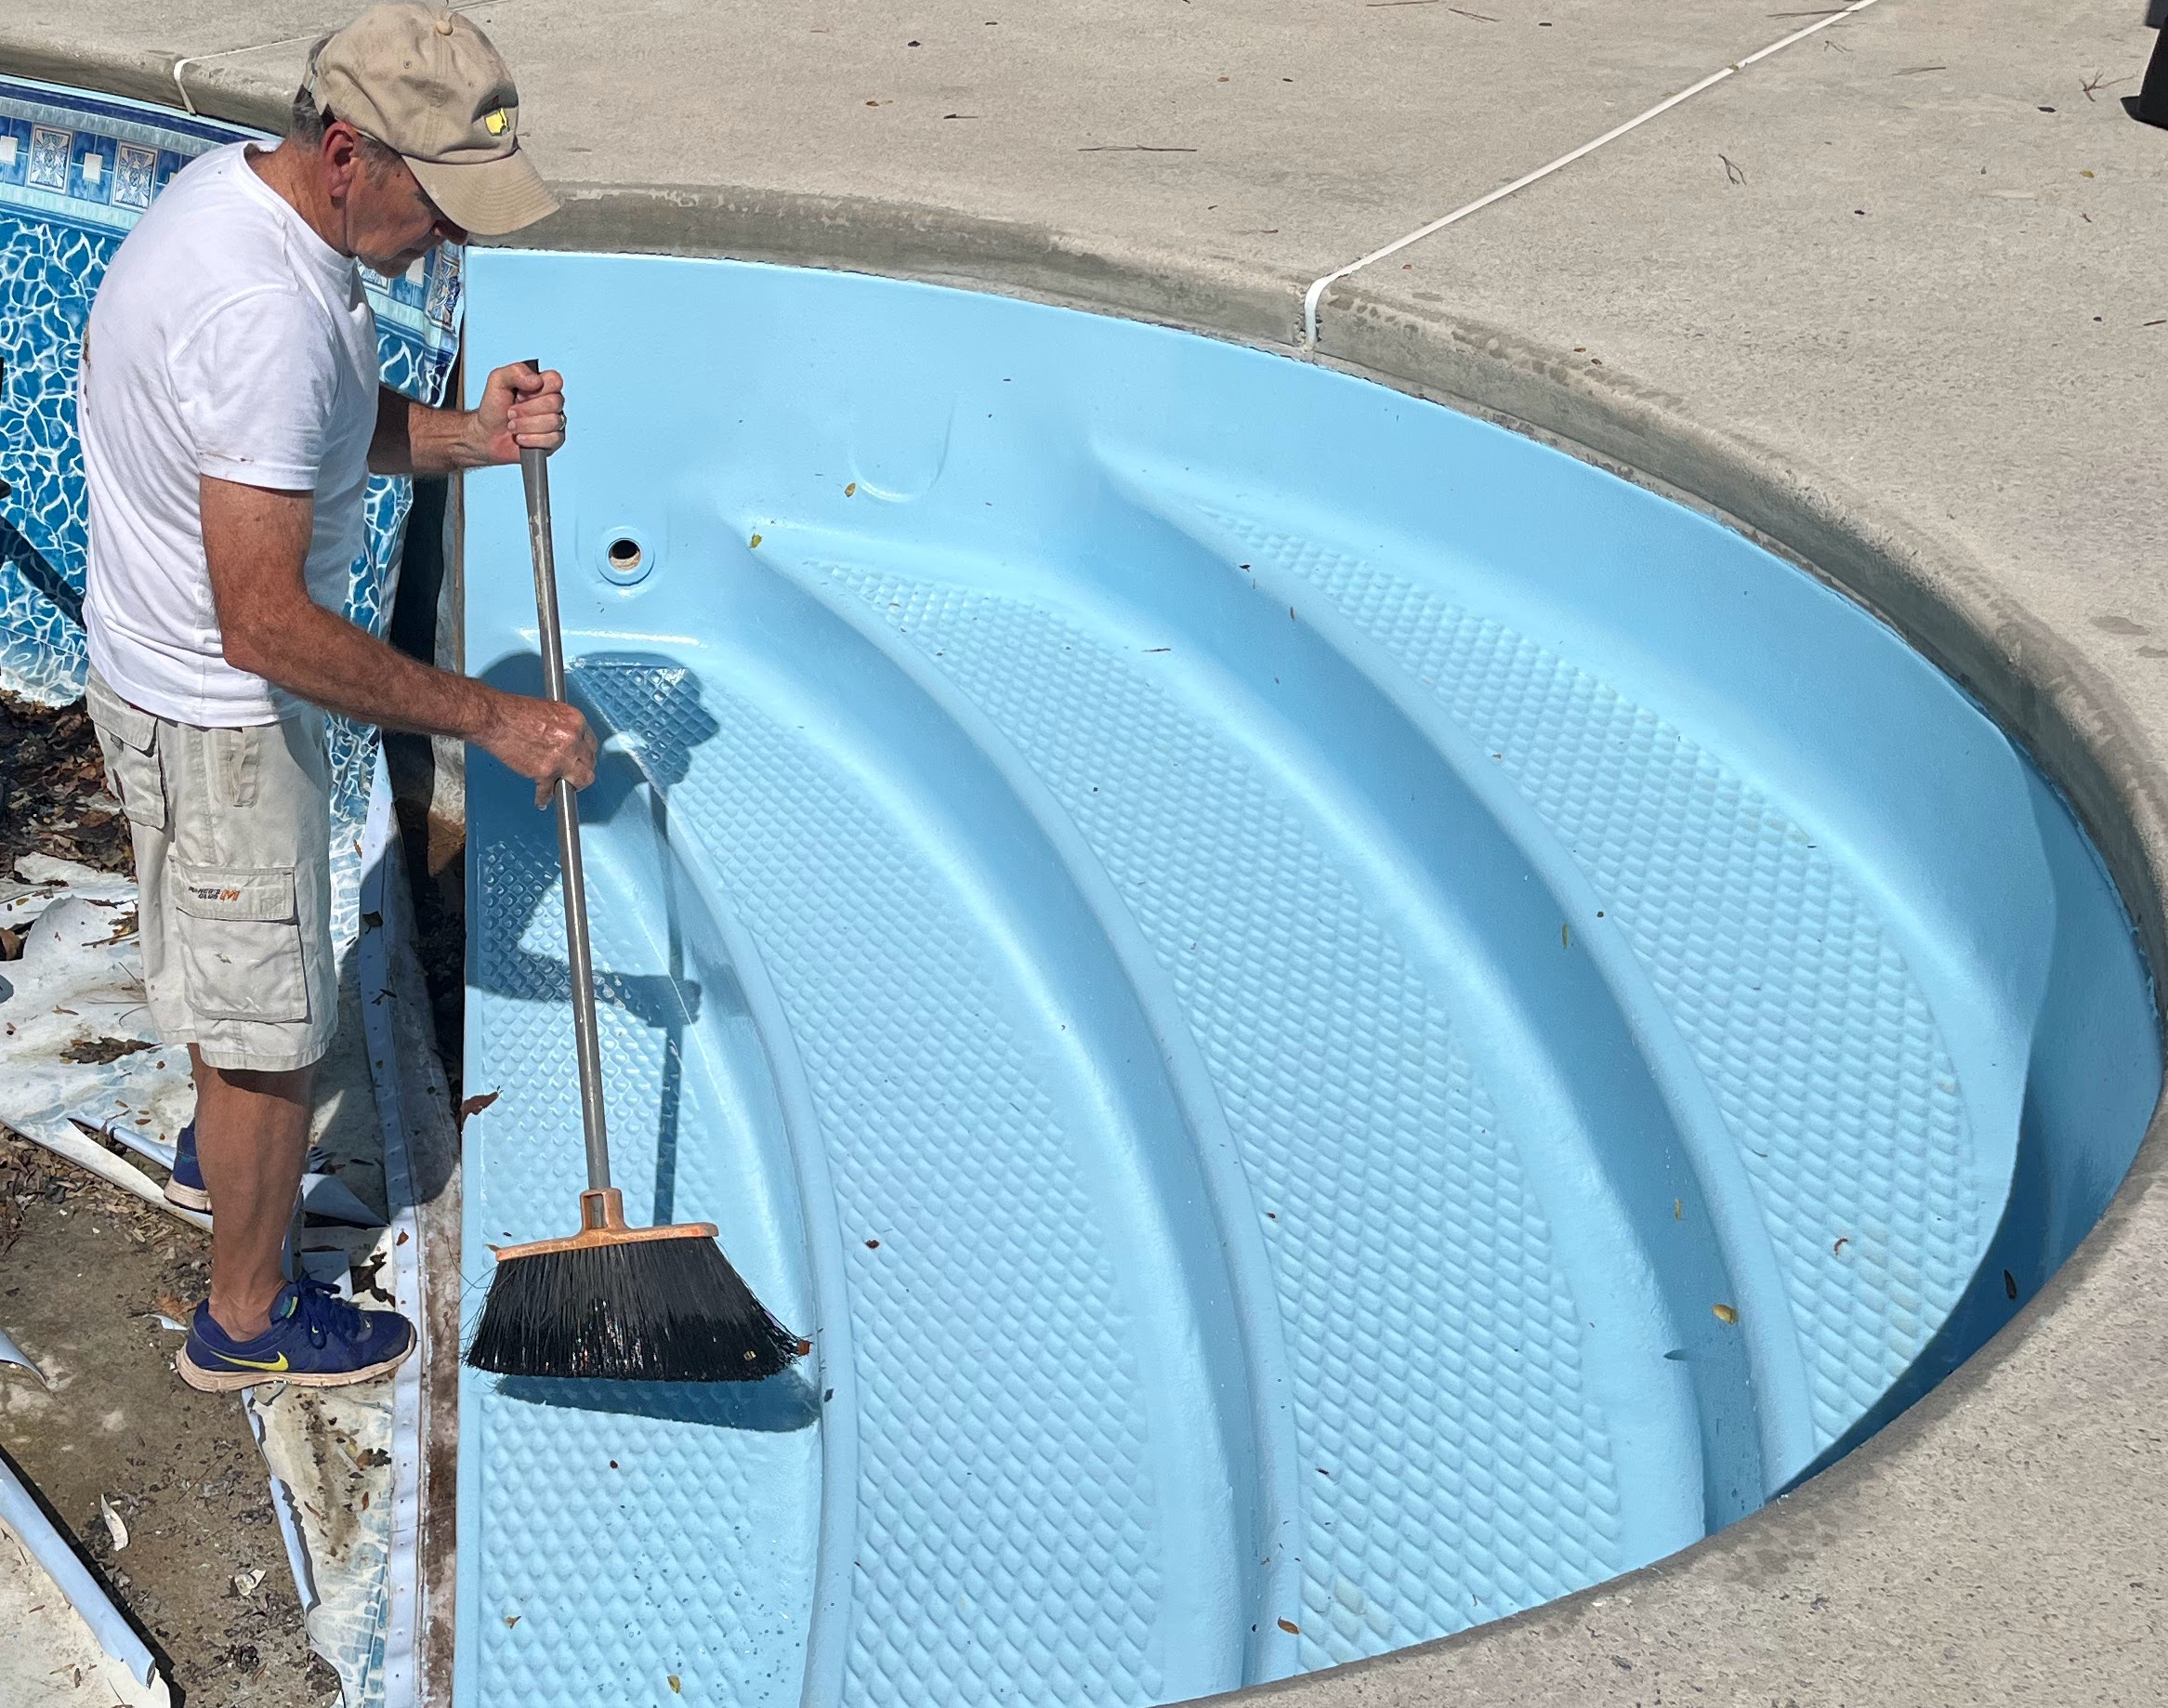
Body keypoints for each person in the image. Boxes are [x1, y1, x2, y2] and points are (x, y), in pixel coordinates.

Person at [79, 2, 596, 1391]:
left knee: (226, 969)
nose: (459, 233)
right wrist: (491, 720)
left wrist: (478, 436)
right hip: (222, 721)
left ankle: (221, 1154)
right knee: (269, 1044)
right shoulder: (267, 318)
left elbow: (321, 429)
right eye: (443, 199)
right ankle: (245, 1319)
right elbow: (267, 625)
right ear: (353, 152)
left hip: (154, 681)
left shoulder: (246, 202)